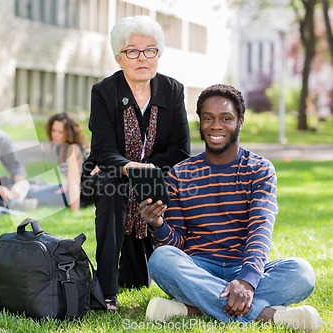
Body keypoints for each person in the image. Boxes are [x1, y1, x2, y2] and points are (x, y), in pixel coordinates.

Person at [140, 84, 321, 332]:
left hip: (244, 265)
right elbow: (177, 245)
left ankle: (190, 308)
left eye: (226, 118)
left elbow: (261, 228)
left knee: (302, 273)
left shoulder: (259, 170)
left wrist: (246, 280)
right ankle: (269, 316)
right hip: (198, 266)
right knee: (161, 259)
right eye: (208, 118)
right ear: (200, 123)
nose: (216, 126)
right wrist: (157, 225)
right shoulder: (179, 175)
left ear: (240, 122)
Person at [81, 15, 191, 310]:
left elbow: (181, 151)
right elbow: (104, 150)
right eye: (132, 51)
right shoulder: (104, 92)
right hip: (113, 174)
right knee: (110, 185)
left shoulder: (173, 90)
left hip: (157, 176)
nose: (142, 58)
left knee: (139, 279)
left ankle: (181, 272)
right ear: (119, 58)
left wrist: (146, 168)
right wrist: (130, 167)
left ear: (159, 54)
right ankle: (105, 288)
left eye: (150, 50)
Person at [28, 112, 89, 211]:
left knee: (36, 197)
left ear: (69, 133)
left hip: (81, 194)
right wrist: (62, 189)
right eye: (53, 130)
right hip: (69, 189)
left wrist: (75, 212)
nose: (55, 134)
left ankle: (25, 202)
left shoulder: (72, 149)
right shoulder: (60, 147)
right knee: (33, 193)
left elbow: (74, 182)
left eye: (60, 132)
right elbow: (69, 177)